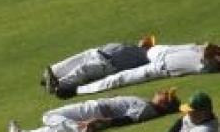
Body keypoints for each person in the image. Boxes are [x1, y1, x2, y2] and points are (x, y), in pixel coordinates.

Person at [7, 89, 180, 132]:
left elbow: (125, 120)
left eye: (167, 95)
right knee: (56, 128)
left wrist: (98, 121)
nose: (163, 92)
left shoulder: (147, 109)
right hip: (97, 109)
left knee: (48, 116)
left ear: (165, 105)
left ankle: (80, 129)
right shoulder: (147, 104)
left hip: (94, 111)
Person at [69, 43, 220, 97]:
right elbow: (205, 47)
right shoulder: (210, 56)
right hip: (160, 51)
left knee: (120, 79)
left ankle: (78, 90)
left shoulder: (208, 65)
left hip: (160, 68)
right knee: (129, 52)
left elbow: (208, 49)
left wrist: (213, 49)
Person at [42, 36, 155, 95]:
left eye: (147, 41)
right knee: (73, 61)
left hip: (108, 64)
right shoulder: (135, 48)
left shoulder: (144, 56)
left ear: (148, 46)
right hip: (97, 52)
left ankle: (60, 85)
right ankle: (53, 73)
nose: (143, 40)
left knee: (83, 70)